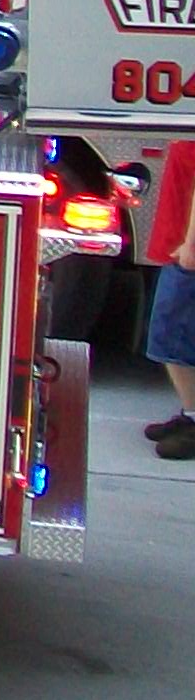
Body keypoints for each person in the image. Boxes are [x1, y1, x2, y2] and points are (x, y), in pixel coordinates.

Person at [150, 137, 195, 463]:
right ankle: (189, 412)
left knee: (172, 340)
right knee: (178, 338)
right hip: (178, 246)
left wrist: (191, 246)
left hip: (187, 252)